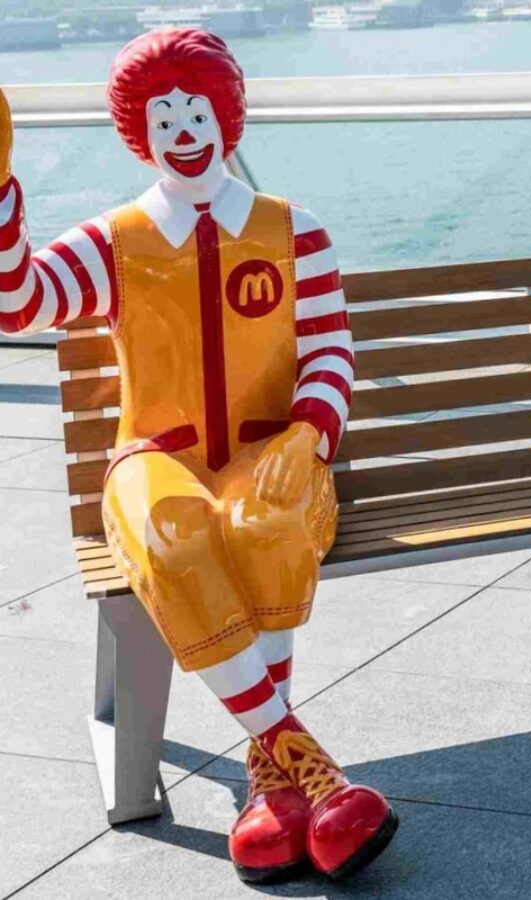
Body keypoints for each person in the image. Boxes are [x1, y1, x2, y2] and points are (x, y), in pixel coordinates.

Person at [0, 31, 395, 882]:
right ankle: (307, 765)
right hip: (153, 460)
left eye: (197, 108)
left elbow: (330, 355)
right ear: (138, 132)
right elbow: (17, 301)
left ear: (229, 114)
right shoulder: (118, 240)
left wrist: (305, 434)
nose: (184, 129)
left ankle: (273, 787)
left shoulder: (297, 232)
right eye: (162, 115)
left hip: (271, 453)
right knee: (178, 534)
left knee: (261, 524)